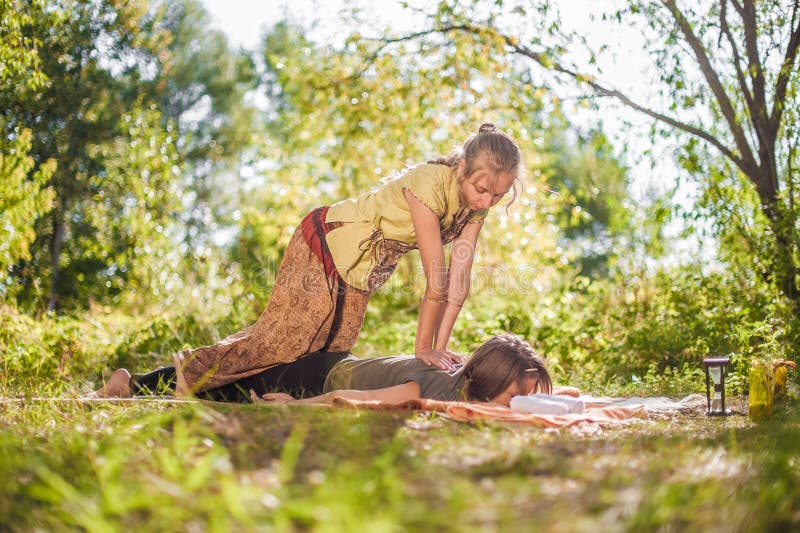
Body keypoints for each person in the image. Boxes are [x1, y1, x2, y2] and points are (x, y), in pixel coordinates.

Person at [171, 122, 523, 396]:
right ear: (462, 168)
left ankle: (226, 395)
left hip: (361, 268)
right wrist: (422, 349)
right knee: (279, 343)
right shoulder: (428, 183)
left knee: (325, 358)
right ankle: (158, 379)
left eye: (498, 195)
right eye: (482, 190)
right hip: (325, 242)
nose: (487, 201)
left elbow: (458, 284)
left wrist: (440, 350)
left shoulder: (475, 208)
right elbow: (437, 277)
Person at [94, 334, 556, 407]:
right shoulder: (432, 389)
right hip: (319, 378)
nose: (521, 403)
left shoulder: (465, 377)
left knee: (236, 371)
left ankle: (133, 383)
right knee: (235, 387)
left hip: (335, 362)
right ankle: (130, 385)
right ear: (491, 381)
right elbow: (349, 400)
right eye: (517, 393)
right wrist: (297, 406)